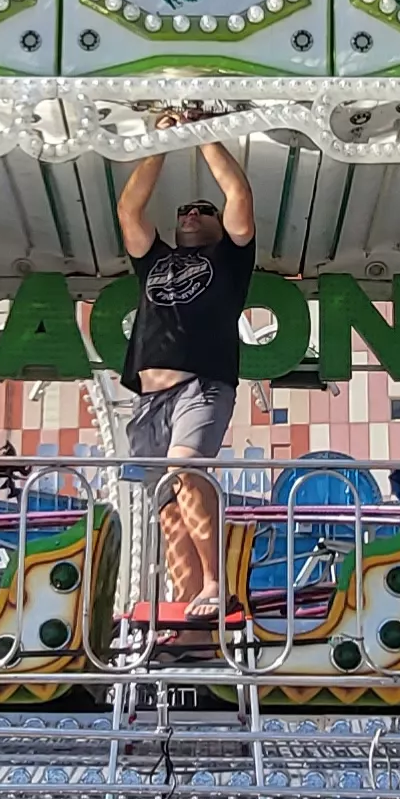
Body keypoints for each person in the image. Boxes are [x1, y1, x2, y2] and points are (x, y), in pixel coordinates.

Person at [115, 141, 255, 628]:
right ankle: (188, 600)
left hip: (202, 384)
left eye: (203, 210)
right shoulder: (153, 258)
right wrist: (159, 146)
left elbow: (238, 192)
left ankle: (216, 581)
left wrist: (204, 137)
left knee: (186, 470)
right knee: (168, 507)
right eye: (185, 211)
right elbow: (129, 208)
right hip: (150, 398)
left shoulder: (231, 258)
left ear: (217, 224)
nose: (192, 215)